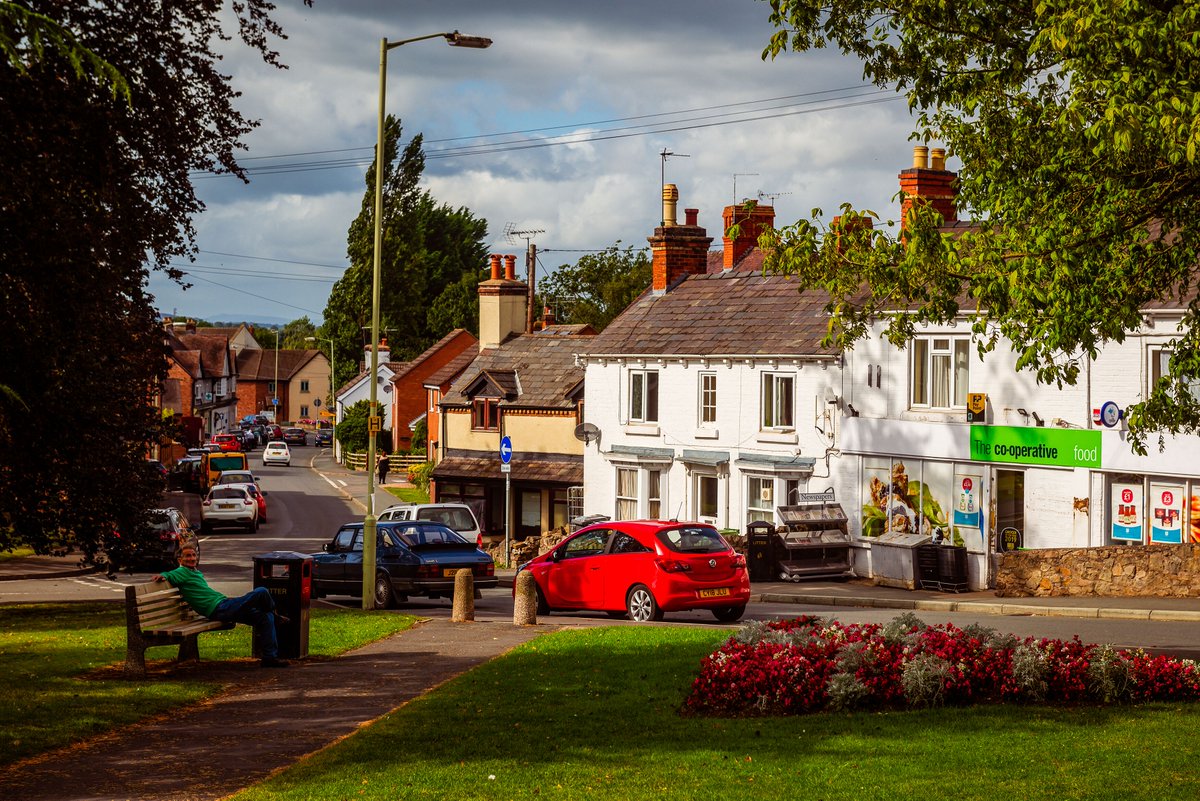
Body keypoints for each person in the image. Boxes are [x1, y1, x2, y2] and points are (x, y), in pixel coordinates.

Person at [154, 544, 290, 668]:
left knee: (265, 617)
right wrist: (163, 575)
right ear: (180, 559)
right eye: (188, 556)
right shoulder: (181, 572)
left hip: (225, 605)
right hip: (219, 609)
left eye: (194, 555)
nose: (192, 558)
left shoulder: (195, 572)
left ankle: (269, 658)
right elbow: (170, 574)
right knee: (261, 591)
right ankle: (275, 615)